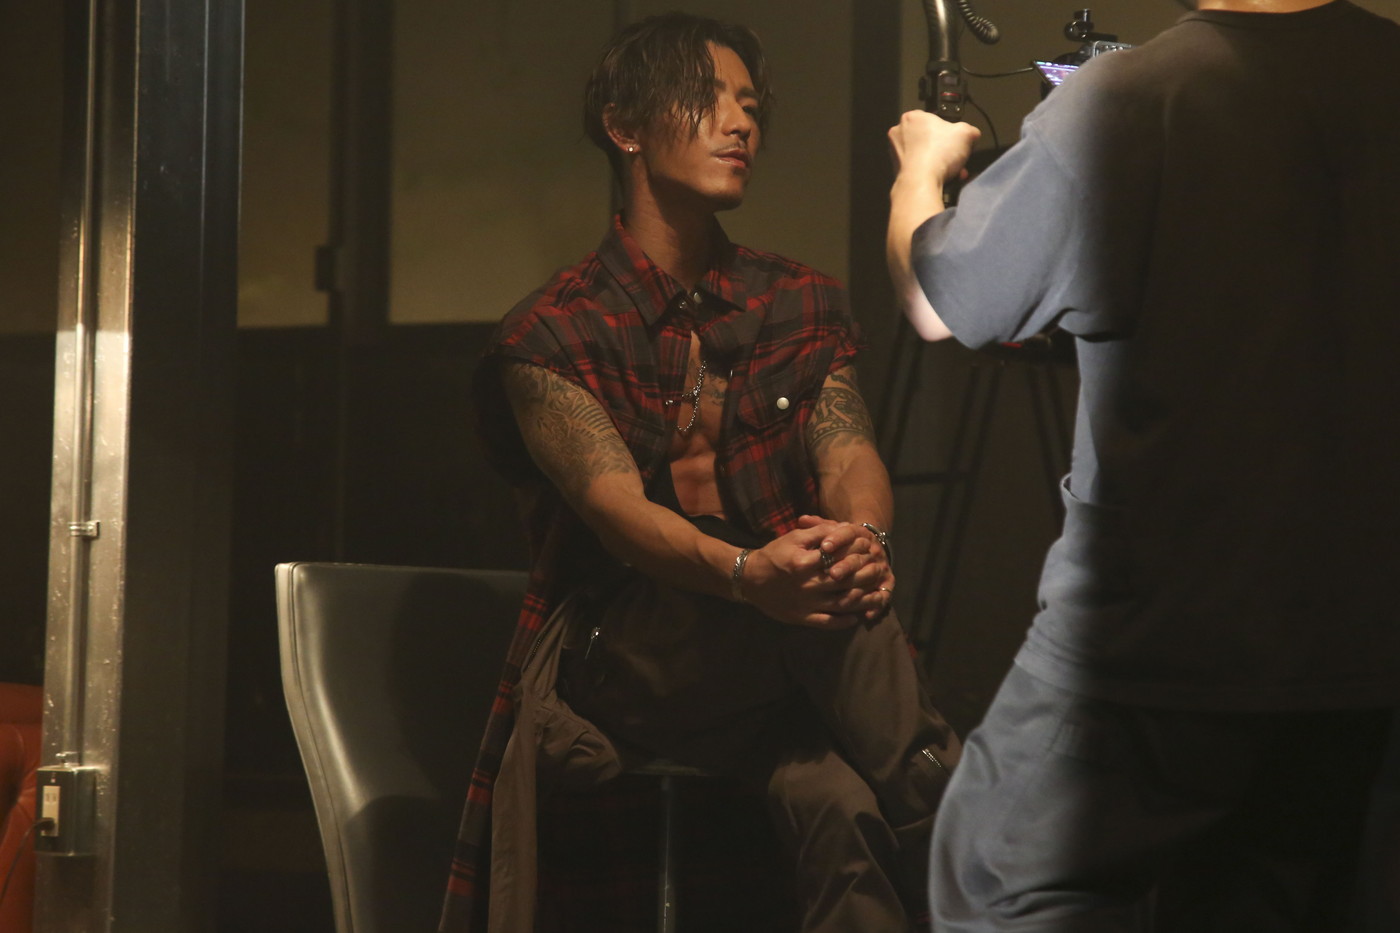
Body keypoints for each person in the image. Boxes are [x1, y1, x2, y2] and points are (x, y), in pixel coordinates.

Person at [885, 1, 1400, 930]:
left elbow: (937, 301)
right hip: (1360, 656)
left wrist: (921, 167)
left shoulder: (1126, 99)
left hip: (1156, 645)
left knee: (992, 873)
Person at [441, 12, 960, 933]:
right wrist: (752, 574)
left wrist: (864, 539)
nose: (740, 123)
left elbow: (848, 449)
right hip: (625, 659)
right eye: (709, 100)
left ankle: (941, 811)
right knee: (819, 606)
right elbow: (615, 511)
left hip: (778, 646)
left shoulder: (795, 299)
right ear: (625, 126)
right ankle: (959, 806)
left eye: (751, 106)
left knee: (840, 804)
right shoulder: (551, 331)